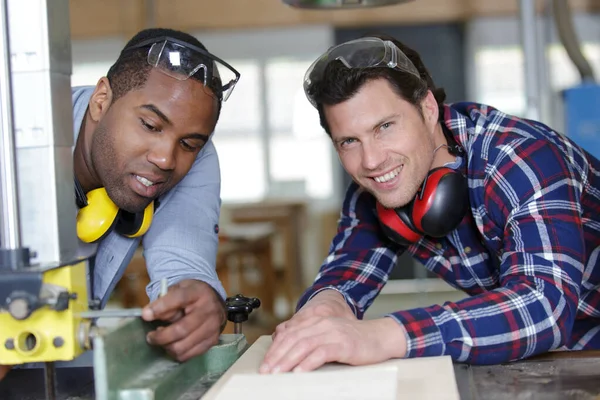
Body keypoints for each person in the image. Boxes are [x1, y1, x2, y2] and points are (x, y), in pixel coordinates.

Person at [260, 34, 600, 374]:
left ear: (427, 108)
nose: (372, 161)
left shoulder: (521, 158)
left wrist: (381, 336)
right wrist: (324, 307)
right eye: (349, 141)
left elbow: (544, 308)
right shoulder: (374, 185)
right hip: (563, 358)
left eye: (385, 127)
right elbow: (348, 269)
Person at [1, 27, 240, 381]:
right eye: (150, 125)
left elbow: (183, 261)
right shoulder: (15, 140)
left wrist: (199, 300)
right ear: (101, 101)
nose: (165, 158)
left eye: (188, 144)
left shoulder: (195, 157)